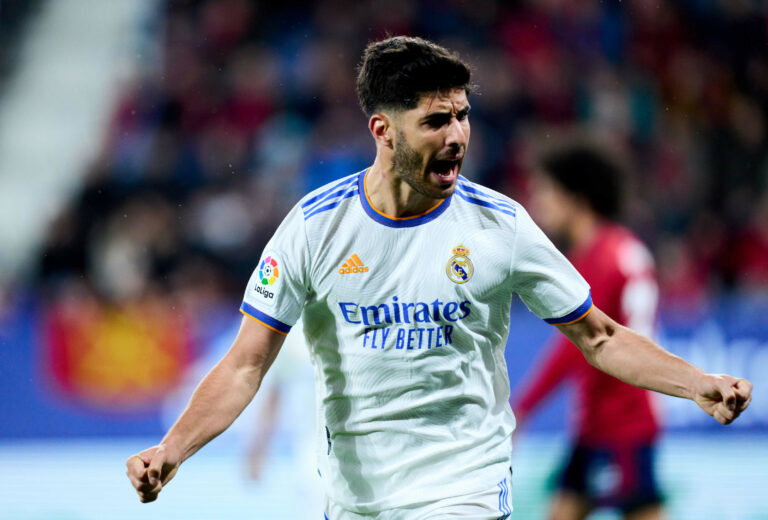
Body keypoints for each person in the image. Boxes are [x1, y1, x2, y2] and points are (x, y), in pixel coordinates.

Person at [126, 36, 752, 519]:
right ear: (382, 130)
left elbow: (600, 337)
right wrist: (171, 450)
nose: (457, 137)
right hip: (356, 498)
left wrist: (697, 383)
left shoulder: (500, 226)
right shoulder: (313, 229)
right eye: (434, 121)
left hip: (466, 486)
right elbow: (245, 365)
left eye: (461, 116)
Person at [512, 144, 666, 520]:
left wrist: (524, 408)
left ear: (575, 198)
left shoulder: (606, 258)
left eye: (546, 191)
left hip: (621, 426)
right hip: (599, 425)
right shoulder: (605, 252)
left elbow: (579, 347)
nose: (539, 203)